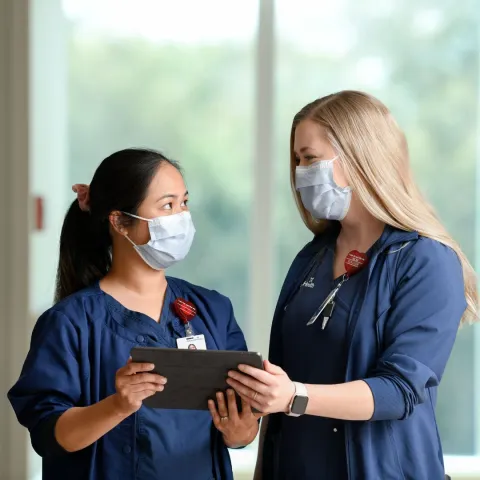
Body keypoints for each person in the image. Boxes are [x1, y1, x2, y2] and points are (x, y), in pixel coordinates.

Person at [226, 91, 478, 480]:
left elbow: (399, 391)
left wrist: (295, 396)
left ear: (360, 157)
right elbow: (281, 396)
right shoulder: (312, 257)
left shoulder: (425, 260)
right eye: (296, 160)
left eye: (310, 158)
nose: (299, 172)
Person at [8, 148, 260, 480]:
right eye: (167, 205)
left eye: (184, 203)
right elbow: (49, 433)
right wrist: (118, 405)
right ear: (120, 222)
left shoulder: (213, 310)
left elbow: (242, 429)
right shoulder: (70, 323)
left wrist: (240, 431)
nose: (181, 217)